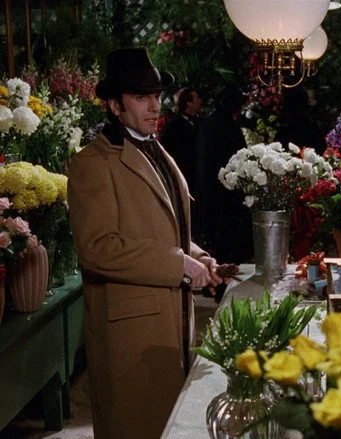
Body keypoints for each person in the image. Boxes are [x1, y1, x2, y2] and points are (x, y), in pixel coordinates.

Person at [67, 47, 223, 439]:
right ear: (114, 105)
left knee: (168, 426)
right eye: (141, 97)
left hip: (171, 320)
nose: (154, 106)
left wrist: (200, 256)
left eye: (156, 96)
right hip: (131, 333)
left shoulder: (156, 148)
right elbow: (97, 248)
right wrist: (178, 263)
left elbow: (164, 228)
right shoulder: (92, 163)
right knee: (135, 427)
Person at [194, 83, 251, 265]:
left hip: (208, 186)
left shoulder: (208, 123)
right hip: (226, 190)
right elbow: (239, 156)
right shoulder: (229, 125)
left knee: (214, 236)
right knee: (227, 237)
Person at [159, 87, 202, 189]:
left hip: (199, 178)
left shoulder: (199, 122)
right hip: (184, 179)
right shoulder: (172, 126)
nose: (200, 101)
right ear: (189, 103)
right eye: (197, 98)